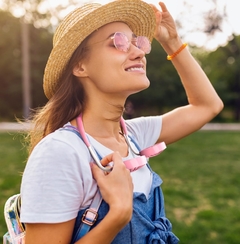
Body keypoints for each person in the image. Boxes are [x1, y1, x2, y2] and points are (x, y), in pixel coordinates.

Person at [20, 0, 223, 243]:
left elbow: (207, 105)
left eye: (138, 42)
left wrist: (172, 42)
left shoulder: (134, 135)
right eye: (118, 42)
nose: (138, 52)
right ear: (79, 66)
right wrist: (118, 215)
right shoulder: (60, 152)